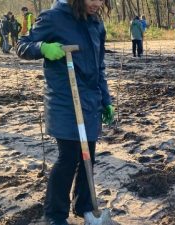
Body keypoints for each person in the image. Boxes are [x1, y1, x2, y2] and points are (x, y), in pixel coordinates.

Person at [16, 0, 114, 224]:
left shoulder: (96, 24)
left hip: (90, 102)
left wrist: (106, 100)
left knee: (88, 155)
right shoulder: (53, 18)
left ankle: (84, 207)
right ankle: (55, 215)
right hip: (64, 101)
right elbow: (22, 45)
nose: (98, 3)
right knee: (68, 157)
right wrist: (43, 48)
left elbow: (99, 68)